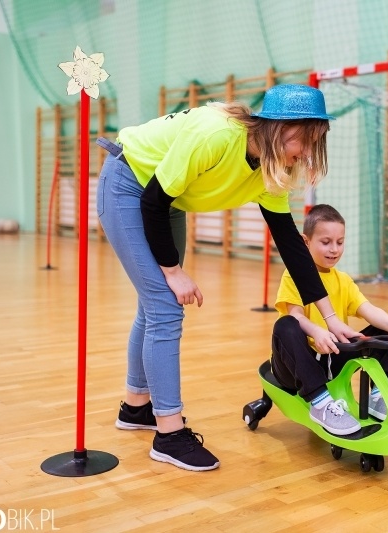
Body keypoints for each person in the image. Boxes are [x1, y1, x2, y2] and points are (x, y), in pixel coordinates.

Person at [96, 84, 362, 472]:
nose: (305, 152)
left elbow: (290, 243)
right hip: (131, 183)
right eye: (303, 140)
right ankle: (168, 434)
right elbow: (153, 200)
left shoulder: (274, 167)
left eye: (313, 142)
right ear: (276, 128)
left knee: (152, 306)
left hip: (169, 199)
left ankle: (137, 408)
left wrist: (333, 318)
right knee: (165, 306)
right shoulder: (217, 136)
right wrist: (174, 271)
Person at [270, 204, 388, 435]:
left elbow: (368, 309)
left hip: (333, 358)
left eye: (340, 242)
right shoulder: (293, 275)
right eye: (326, 242)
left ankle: (380, 395)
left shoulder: (343, 280)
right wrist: (316, 331)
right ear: (306, 242)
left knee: (385, 331)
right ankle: (320, 403)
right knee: (285, 325)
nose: (334, 249)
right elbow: (295, 315)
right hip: (298, 366)